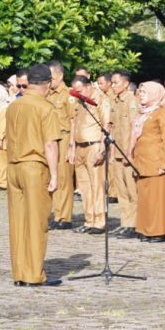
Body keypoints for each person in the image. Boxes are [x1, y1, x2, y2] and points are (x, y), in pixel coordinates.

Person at [4, 63, 62, 287]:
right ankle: (34, 274)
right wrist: (55, 175)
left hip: (13, 166)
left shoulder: (14, 106)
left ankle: (19, 273)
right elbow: (50, 144)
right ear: (47, 84)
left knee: (17, 221)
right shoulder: (45, 107)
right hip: (33, 167)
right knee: (36, 222)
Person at [130, 81, 165, 242]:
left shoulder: (162, 113)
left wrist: (164, 163)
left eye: (144, 92)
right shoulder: (142, 113)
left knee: (157, 198)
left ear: (154, 94)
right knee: (145, 198)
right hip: (142, 161)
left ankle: (158, 230)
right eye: (140, 92)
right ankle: (145, 228)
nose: (141, 95)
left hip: (156, 161)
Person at [69, 75, 111, 234]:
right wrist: (72, 146)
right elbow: (74, 122)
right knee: (84, 187)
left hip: (94, 145)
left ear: (88, 86)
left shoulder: (101, 99)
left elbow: (107, 124)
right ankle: (89, 220)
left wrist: (102, 149)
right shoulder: (80, 100)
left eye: (80, 90)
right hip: (80, 146)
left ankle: (100, 221)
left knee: (97, 185)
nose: (78, 93)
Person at [108, 70, 139, 236]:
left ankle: (135, 223)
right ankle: (126, 221)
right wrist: (112, 153)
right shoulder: (114, 101)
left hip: (128, 152)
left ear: (126, 84)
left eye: (116, 83)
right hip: (117, 150)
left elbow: (135, 128)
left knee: (132, 189)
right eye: (112, 83)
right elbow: (112, 128)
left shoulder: (132, 101)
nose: (113, 86)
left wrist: (130, 152)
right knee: (121, 189)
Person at [45, 61, 76, 230]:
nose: (49, 81)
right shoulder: (47, 94)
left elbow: (73, 121)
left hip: (63, 138)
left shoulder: (69, 95)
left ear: (60, 76)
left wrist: (72, 145)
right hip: (50, 139)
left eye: (52, 77)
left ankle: (65, 216)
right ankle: (56, 214)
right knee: (53, 177)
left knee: (63, 178)